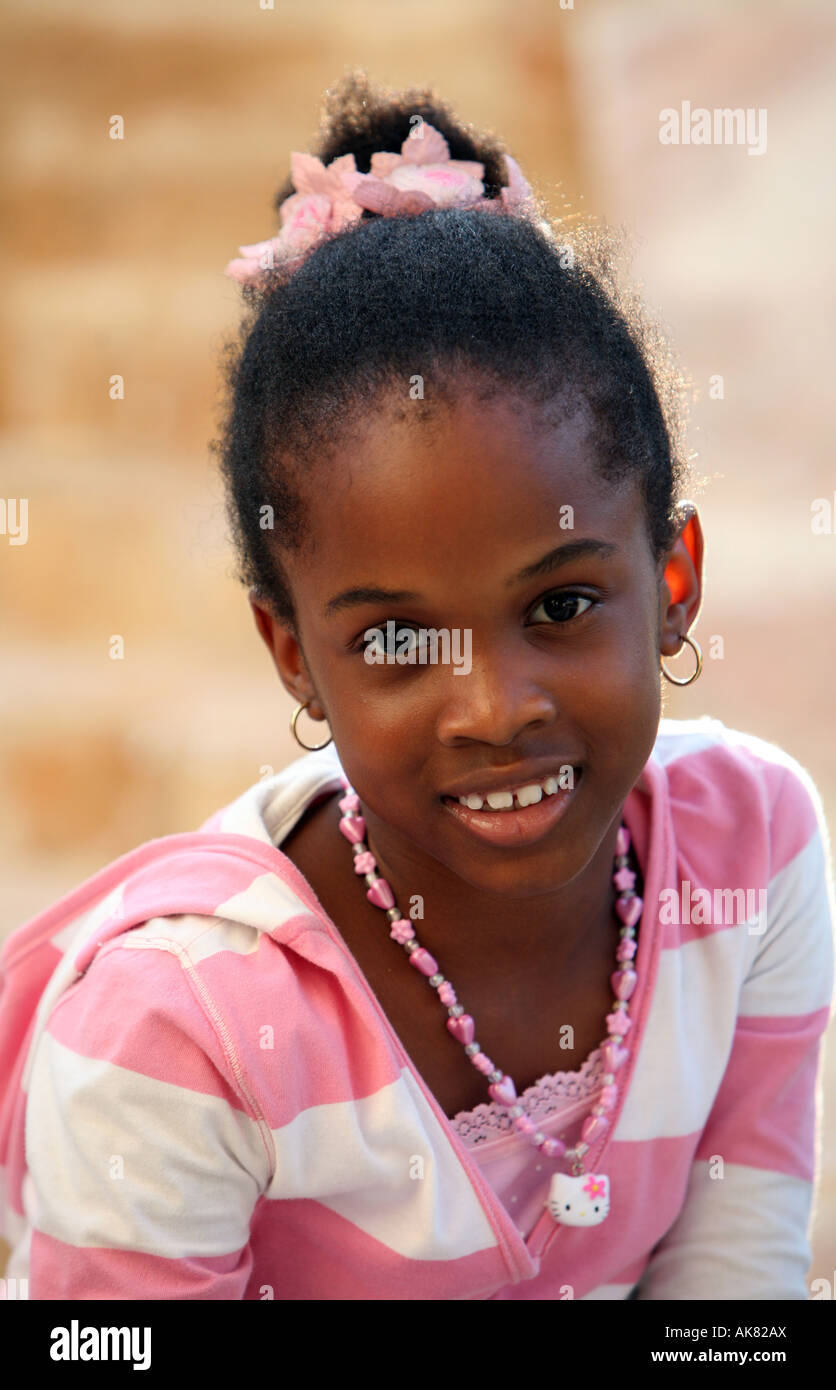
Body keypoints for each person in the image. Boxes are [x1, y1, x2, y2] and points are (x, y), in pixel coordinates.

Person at [2, 69, 833, 1301]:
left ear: (672, 577)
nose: (495, 707)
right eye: (396, 641)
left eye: (557, 605)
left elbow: (733, 1281)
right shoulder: (184, 1027)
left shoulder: (745, 850)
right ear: (294, 654)